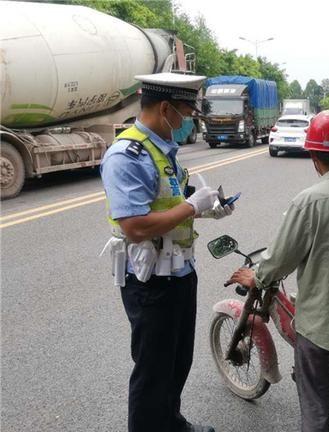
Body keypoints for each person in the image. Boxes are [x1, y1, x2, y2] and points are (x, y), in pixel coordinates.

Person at [227, 110, 329, 432]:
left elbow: (279, 260)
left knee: (315, 406)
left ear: (315, 157)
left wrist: (255, 277)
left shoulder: (308, 202)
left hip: (320, 325)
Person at [101, 72, 234, 432]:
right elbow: (136, 225)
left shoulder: (163, 150)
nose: (186, 121)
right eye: (185, 114)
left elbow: (170, 203)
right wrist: (192, 206)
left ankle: (170, 423)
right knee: (153, 370)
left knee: (177, 362)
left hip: (179, 273)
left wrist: (209, 207)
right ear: (164, 109)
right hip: (151, 281)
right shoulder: (127, 156)